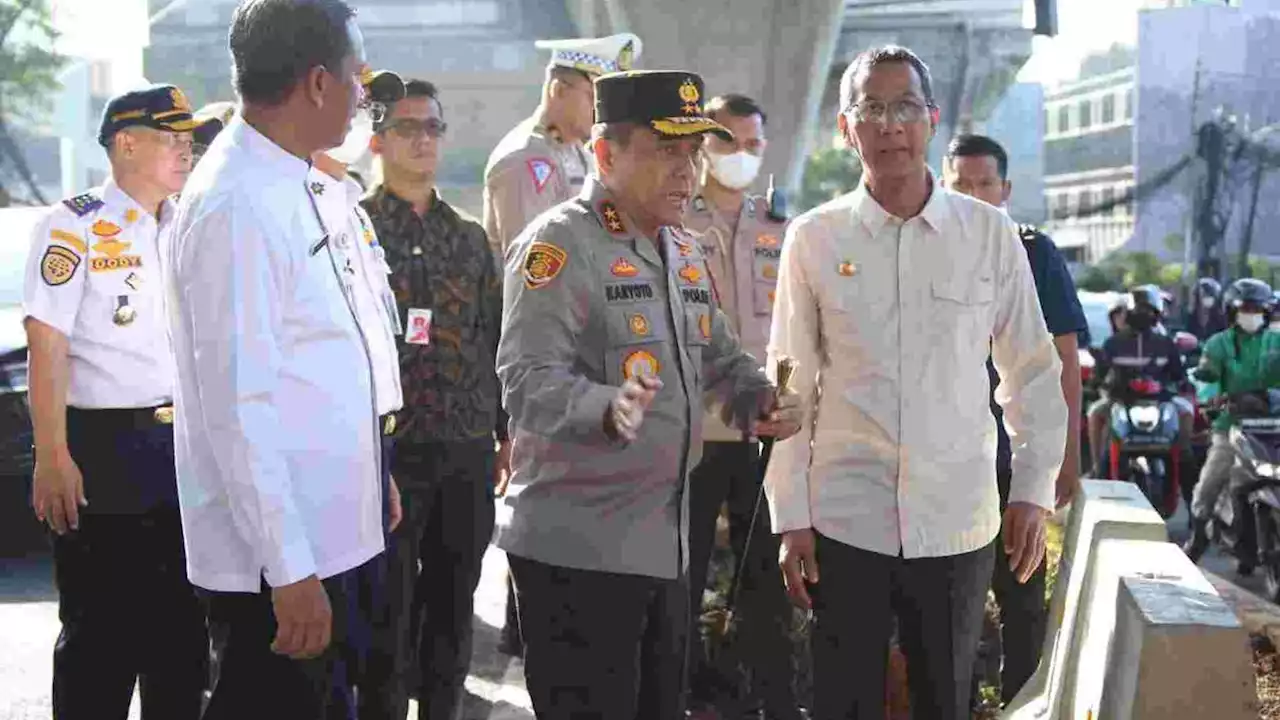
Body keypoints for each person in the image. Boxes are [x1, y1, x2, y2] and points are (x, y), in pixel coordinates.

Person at [764, 45, 1068, 720]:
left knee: (945, 699)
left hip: (957, 521)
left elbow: (1030, 368)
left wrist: (1032, 491)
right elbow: (790, 382)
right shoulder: (815, 239)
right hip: (846, 517)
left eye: (905, 107)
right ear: (847, 129)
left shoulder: (986, 234)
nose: (890, 125)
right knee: (843, 699)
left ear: (931, 121)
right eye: (871, 108)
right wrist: (791, 517)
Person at [496, 69, 802, 720]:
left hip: (664, 546)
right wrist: (602, 406)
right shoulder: (559, 245)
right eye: (666, 151)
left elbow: (718, 353)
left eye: (693, 152)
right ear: (606, 155)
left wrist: (756, 396)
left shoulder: (681, 250)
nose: (686, 169)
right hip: (578, 554)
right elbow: (525, 380)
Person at [167, 2, 386, 717]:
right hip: (282, 567)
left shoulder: (291, 180)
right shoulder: (240, 203)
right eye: (357, 77)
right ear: (318, 84)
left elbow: (320, 363)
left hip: (328, 536)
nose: (364, 93)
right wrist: (289, 567)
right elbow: (241, 407)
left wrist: (369, 477)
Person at [22, 83, 207, 720]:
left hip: (183, 449)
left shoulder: (189, 223)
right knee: (100, 637)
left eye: (190, 141)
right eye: (173, 139)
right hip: (104, 450)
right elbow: (46, 347)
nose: (187, 152)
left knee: (182, 641)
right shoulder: (72, 226)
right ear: (126, 144)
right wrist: (51, 455)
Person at [359, 76, 507, 720]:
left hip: (465, 444)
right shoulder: (356, 229)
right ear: (377, 139)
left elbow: (491, 334)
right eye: (407, 127)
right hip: (386, 453)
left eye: (432, 127)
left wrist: (504, 432)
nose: (422, 139)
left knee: (453, 606)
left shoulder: (468, 235)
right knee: (386, 612)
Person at [942, 133, 1087, 706]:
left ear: (1005, 190)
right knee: (946, 599)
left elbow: (1064, 359)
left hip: (1016, 458)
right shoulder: (924, 246)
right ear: (943, 185)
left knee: (1023, 593)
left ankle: (1022, 703)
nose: (975, 195)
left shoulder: (1033, 251)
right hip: (947, 459)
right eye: (962, 185)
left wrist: (1066, 458)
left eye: (985, 185)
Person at [680, 92, 799, 720]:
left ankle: (773, 702)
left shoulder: (782, 226)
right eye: (729, 141)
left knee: (766, 582)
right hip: (696, 430)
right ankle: (682, 696)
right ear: (702, 142)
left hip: (765, 433)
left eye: (754, 145)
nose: (742, 155)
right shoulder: (672, 223)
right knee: (684, 577)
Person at [306, 67, 408, 719]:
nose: (367, 116)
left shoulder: (348, 204)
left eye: (376, 108)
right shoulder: (294, 201)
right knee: (317, 657)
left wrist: (379, 459)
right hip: (317, 450)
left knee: (363, 640)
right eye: (360, 101)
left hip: (368, 446)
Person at [482, 32, 642, 263]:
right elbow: (531, 264)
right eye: (593, 98)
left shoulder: (581, 152)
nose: (602, 111)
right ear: (558, 91)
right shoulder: (523, 159)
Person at [1183, 278, 1280, 568]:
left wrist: (1268, 397)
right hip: (1231, 427)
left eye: (1258, 308)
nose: (1252, 314)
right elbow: (1207, 380)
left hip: (1274, 427)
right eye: (1246, 308)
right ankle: (1198, 539)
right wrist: (1215, 402)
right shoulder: (1217, 344)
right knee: (1209, 484)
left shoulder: (1277, 342)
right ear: (1232, 312)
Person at [1085, 286, 1194, 476]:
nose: (1143, 315)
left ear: (1157, 314)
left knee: (1186, 411)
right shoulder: (1114, 343)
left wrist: (1182, 383)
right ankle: (1096, 467)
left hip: (1160, 402)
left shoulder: (1165, 343)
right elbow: (1099, 374)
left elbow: (1178, 374)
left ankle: (1184, 465)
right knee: (1095, 412)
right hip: (1119, 401)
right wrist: (1094, 386)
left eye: (1148, 311)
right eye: (1139, 310)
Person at [1186, 277, 1228, 341]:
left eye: (1209, 295)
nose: (1206, 298)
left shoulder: (1221, 319)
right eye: (1203, 295)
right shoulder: (1191, 318)